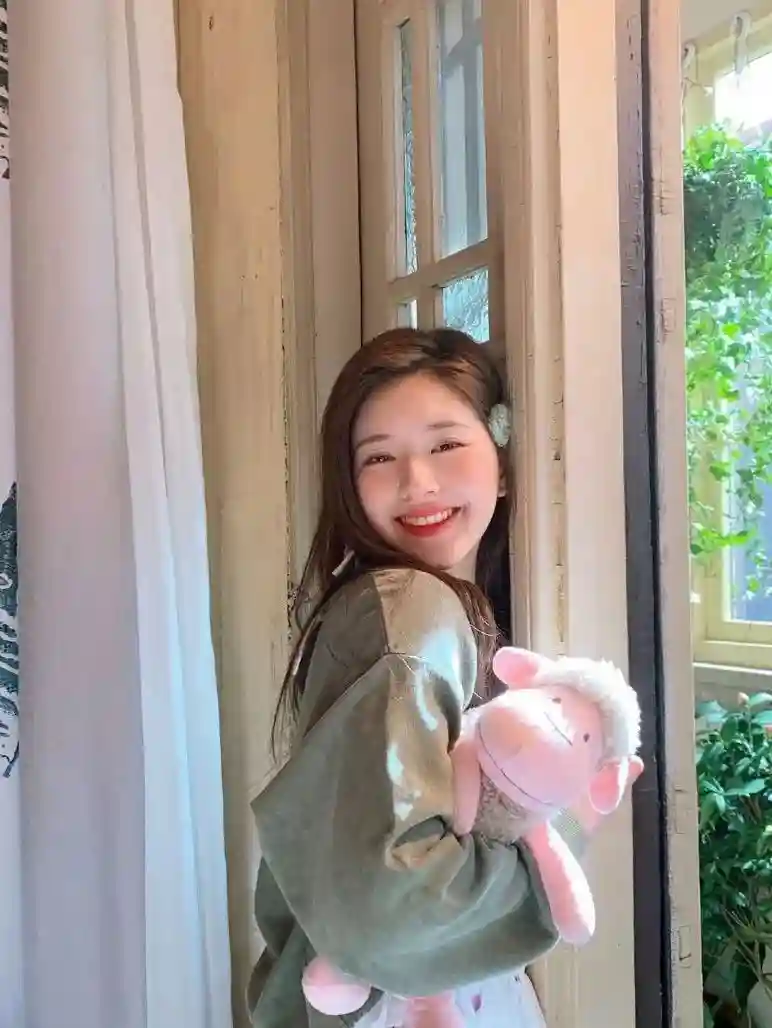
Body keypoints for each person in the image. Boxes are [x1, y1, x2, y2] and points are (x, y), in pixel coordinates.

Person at [248, 327, 630, 1028]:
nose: (417, 483)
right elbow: (394, 911)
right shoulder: (409, 613)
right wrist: (567, 831)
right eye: (379, 457)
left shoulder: (436, 608)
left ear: (503, 461)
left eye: (446, 445)